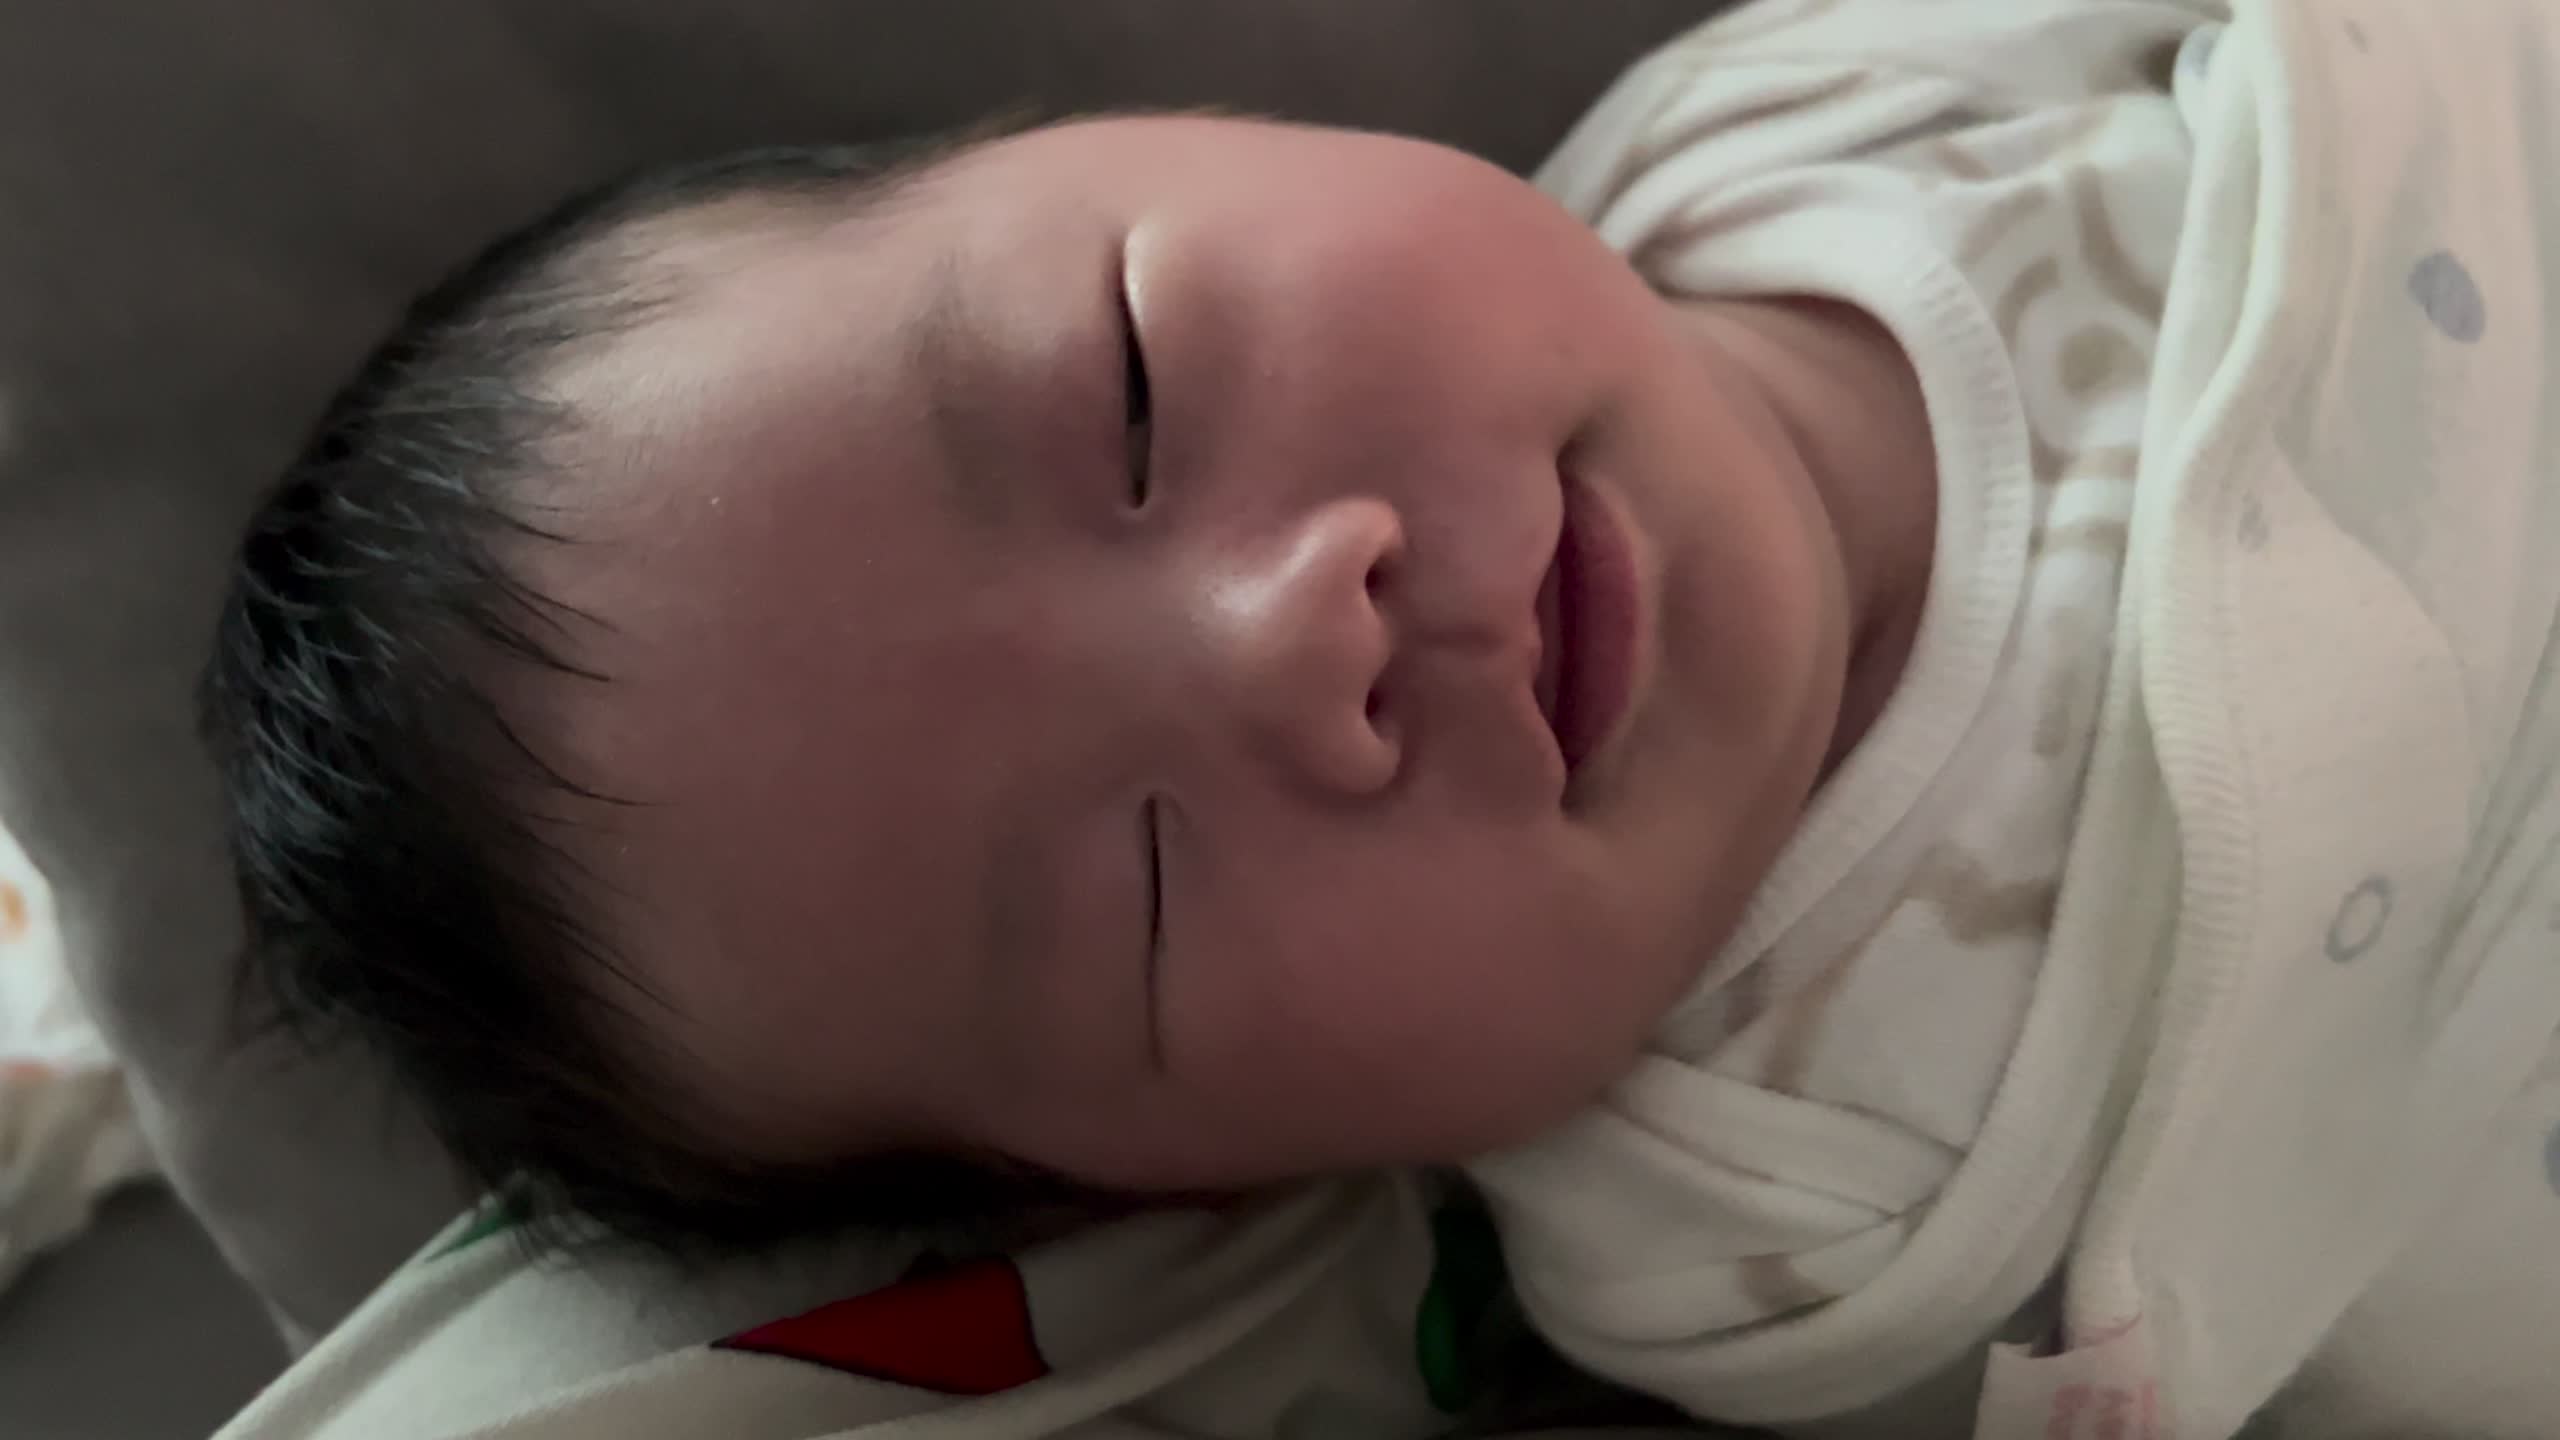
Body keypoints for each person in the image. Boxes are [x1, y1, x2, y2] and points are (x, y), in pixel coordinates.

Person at [204, 0, 2560, 1435]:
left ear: (1148, 125)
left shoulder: (1792, 117)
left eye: (1132, 392)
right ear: (1207, 1180)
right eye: (1134, 895)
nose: (1287, 633)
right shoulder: (1771, 1236)